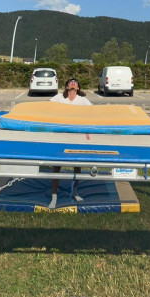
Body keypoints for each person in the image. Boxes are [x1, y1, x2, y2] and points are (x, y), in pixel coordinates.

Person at [48, 78, 92, 209]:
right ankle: (54, 196)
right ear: (67, 87)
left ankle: (74, 191)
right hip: (61, 134)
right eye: (70, 82)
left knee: (77, 165)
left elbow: (92, 111)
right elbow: (48, 105)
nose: (73, 83)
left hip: (76, 135)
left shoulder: (82, 100)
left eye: (75, 82)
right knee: (57, 166)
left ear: (78, 88)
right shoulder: (59, 97)